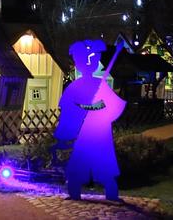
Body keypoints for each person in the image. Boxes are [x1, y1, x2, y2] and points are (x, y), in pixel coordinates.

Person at [54, 40, 126, 201]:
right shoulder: (74, 87)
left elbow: (114, 106)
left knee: (105, 163)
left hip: (99, 132)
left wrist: (99, 109)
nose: (87, 62)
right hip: (82, 133)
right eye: (82, 59)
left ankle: (111, 192)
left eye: (92, 59)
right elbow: (67, 109)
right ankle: (74, 191)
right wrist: (65, 132)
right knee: (79, 162)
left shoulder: (101, 85)